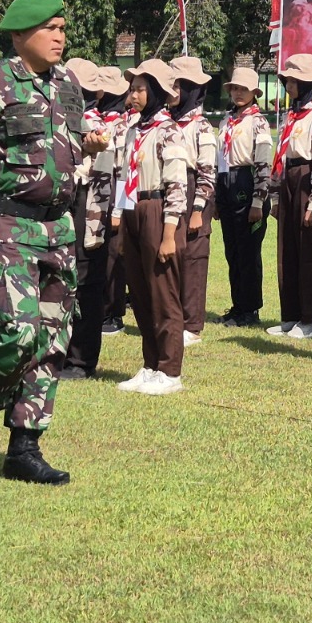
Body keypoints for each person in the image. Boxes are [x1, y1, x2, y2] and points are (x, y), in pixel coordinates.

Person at [0, 0, 107, 485]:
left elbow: (66, 143)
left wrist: (90, 143)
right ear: (20, 35)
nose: (60, 36)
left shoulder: (69, 84)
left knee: (52, 338)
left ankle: (25, 446)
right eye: (49, 28)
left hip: (59, 226)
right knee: (15, 333)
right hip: (9, 226)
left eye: (62, 27)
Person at [114, 59, 192, 395]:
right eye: (132, 89)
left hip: (158, 210)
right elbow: (123, 175)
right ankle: (150, 364)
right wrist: (120, 220)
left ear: (157, 92)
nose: (133, 95)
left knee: (163, 295)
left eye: (140, 88)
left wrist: (169, 234)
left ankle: (170, 370)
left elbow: (177, 185)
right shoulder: (134, 130)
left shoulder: (168, 131)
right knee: (141, 294)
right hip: (133, 208)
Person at [61, 65, 132, 379]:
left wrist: (96, 229)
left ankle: (81, 360)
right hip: (64, 209)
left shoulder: (98, 128)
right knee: (63, 286)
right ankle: (63, 353)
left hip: (87, 210)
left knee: (87, 287)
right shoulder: (63, 123)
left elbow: (104, 183)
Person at [268, 53, 312, 338]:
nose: (288, 85)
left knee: (307, 250)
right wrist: (276, 194)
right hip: (288, 178)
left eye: (293, 80)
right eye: (287, 79)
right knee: (287, 250)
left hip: (307, 178)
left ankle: (309, 320)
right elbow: (280, 153)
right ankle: (289, 315)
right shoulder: (289, 115)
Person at [215, 67, 273, 328]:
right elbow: (219, 160)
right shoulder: (226, 120)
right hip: (226, 183)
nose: (238, 93)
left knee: (249, 252)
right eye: (235, 89)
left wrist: (258, 201)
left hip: (247, 183)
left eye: (243, 89)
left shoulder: (258, 121)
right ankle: (237, 305)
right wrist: (217, 198)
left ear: (253, 93)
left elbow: (263, 164)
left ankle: (250, 309)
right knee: (232, 251)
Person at [168, 56, 216, 347]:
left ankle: (192, 324)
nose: (172, 92)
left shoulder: (201, 127)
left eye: (177, 87)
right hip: (173, 191)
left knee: (194, 259)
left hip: (194, 192)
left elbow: (207, 172)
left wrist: (198, 208)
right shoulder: (169, 123)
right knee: (173, 255)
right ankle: (175, 317)